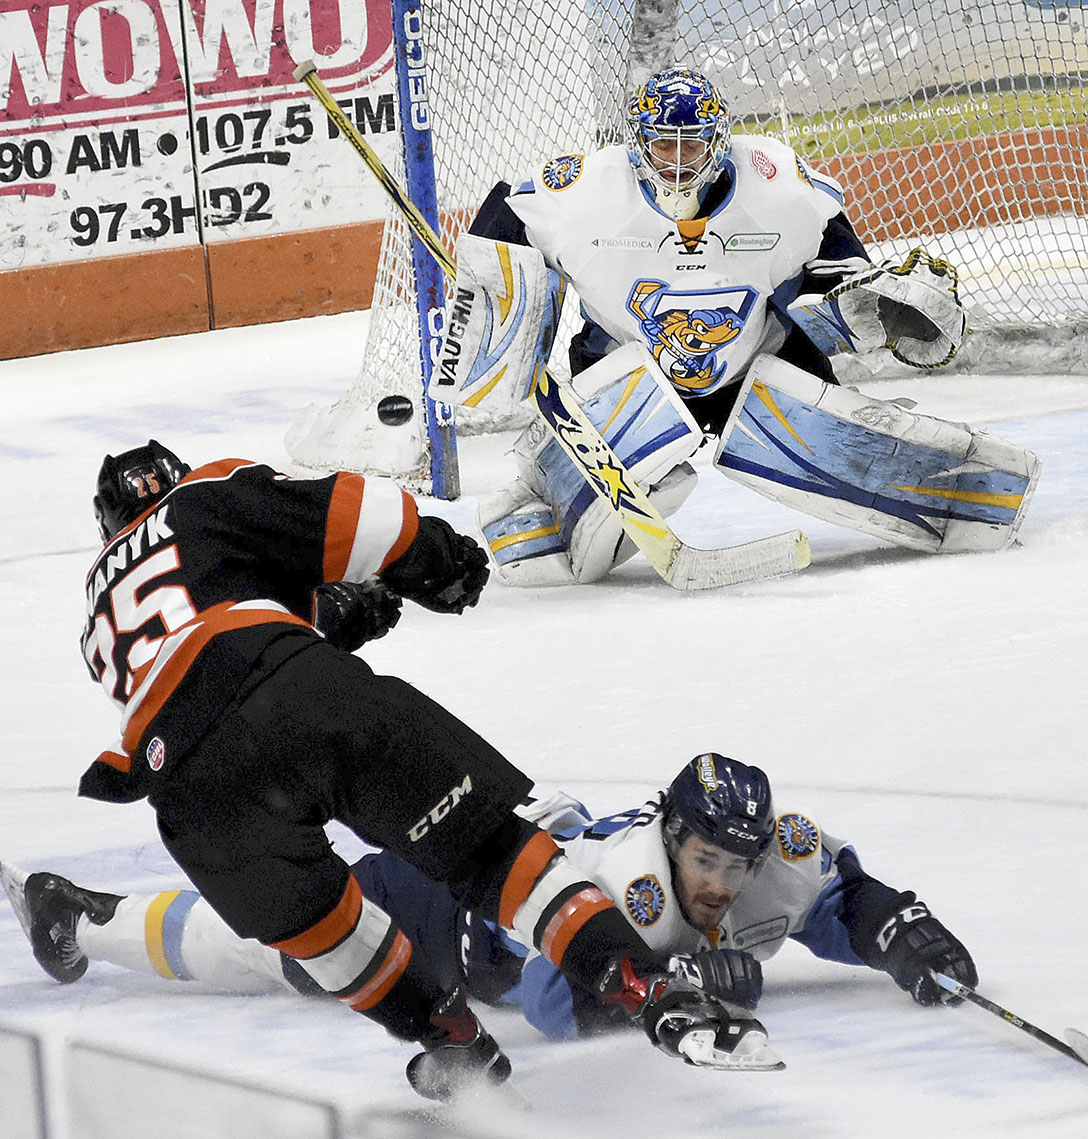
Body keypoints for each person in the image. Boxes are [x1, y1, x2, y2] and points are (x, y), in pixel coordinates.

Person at [63, 440, 776, 1099]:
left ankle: (450, 1041)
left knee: (327, 936)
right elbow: (355, 514)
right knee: (491, 852)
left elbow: (206, 645)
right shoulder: (199, 496)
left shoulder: (98, 608)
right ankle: (650, 988)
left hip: (194, 796)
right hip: (309, 701)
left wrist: (332, 617)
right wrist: (432, 558)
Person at [438, 66, 1033, 584]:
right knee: (545, 550)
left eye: (691, 146)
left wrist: (872, 298)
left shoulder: (776, 189)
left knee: (839, 444)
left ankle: (949, 484)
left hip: (758, 363)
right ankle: (537, 512)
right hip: (628, 373)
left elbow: (833, 257)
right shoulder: (586, 193)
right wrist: (488, 310)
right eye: (662, 147)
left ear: (719, 144)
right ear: (637, 147)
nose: (677, 163)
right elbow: (508, 212)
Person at [3, 753, 977, 1049]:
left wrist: (903, 935)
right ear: (671, 834)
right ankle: (80, 914)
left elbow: (840, 900)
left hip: (512, 873)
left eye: (735, 860)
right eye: (703, 856)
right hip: (441, 904)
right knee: (281, 946)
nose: (720, 880)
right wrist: (677, 981)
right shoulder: (628, 885)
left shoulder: (770, 859)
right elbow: (549, 1000)